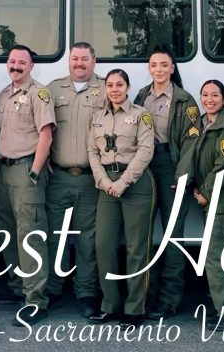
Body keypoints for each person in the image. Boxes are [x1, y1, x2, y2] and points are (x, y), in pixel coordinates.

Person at [133, 45, 199, 320]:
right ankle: (146, 294)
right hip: (145, 169)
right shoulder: (140, 96)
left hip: (172, 168)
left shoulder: (185, 100)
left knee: (173, 235)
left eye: (164, 65)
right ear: (149, 68)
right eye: (154, 64)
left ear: (172, 68)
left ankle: (169, 299)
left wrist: (181, 176)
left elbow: (191, 143)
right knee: (144, 235)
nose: (158, 69)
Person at [87, 69, 155, 326]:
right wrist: (105, 182)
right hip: (107, 186)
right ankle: (111, 305)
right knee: (103, 245)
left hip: (136, 184)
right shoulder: (97, 117)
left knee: (137, 248)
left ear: (127, 87)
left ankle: (135, 309)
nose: (114, 89)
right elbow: (92, 151)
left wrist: (124, 182)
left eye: (119, 85)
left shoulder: (141, 115)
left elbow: (146, 150)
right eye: (110, 85)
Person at [0, 44, 55, 326]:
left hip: (25, 171)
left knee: (29, 236)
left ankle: (35, 300)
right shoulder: (3, 95)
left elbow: (46, 135)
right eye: (11, 60)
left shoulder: (39, 94)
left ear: (31, 66)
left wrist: (34, 172)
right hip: (3, 172)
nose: (15, 65)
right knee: (8, 232)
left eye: (21, 61)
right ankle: (19, 287)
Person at [45, 42, 105, 317]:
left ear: (94, 61)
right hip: (58, 177)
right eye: (74, 59)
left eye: (84, 58)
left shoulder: (106, 89)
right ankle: (54, 289)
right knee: (55, 237)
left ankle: (86, 292)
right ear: (68, 62)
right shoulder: (53, 89)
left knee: (87, 240)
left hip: (90, 179)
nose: (79, 63)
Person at [181, 79, 224, 327]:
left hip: (222, 200)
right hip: (211, 199)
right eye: (204, 95)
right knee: (222, 257)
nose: (209, 99)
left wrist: (205, 191)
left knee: (214, 256)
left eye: (215, 95)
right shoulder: (206, 124)